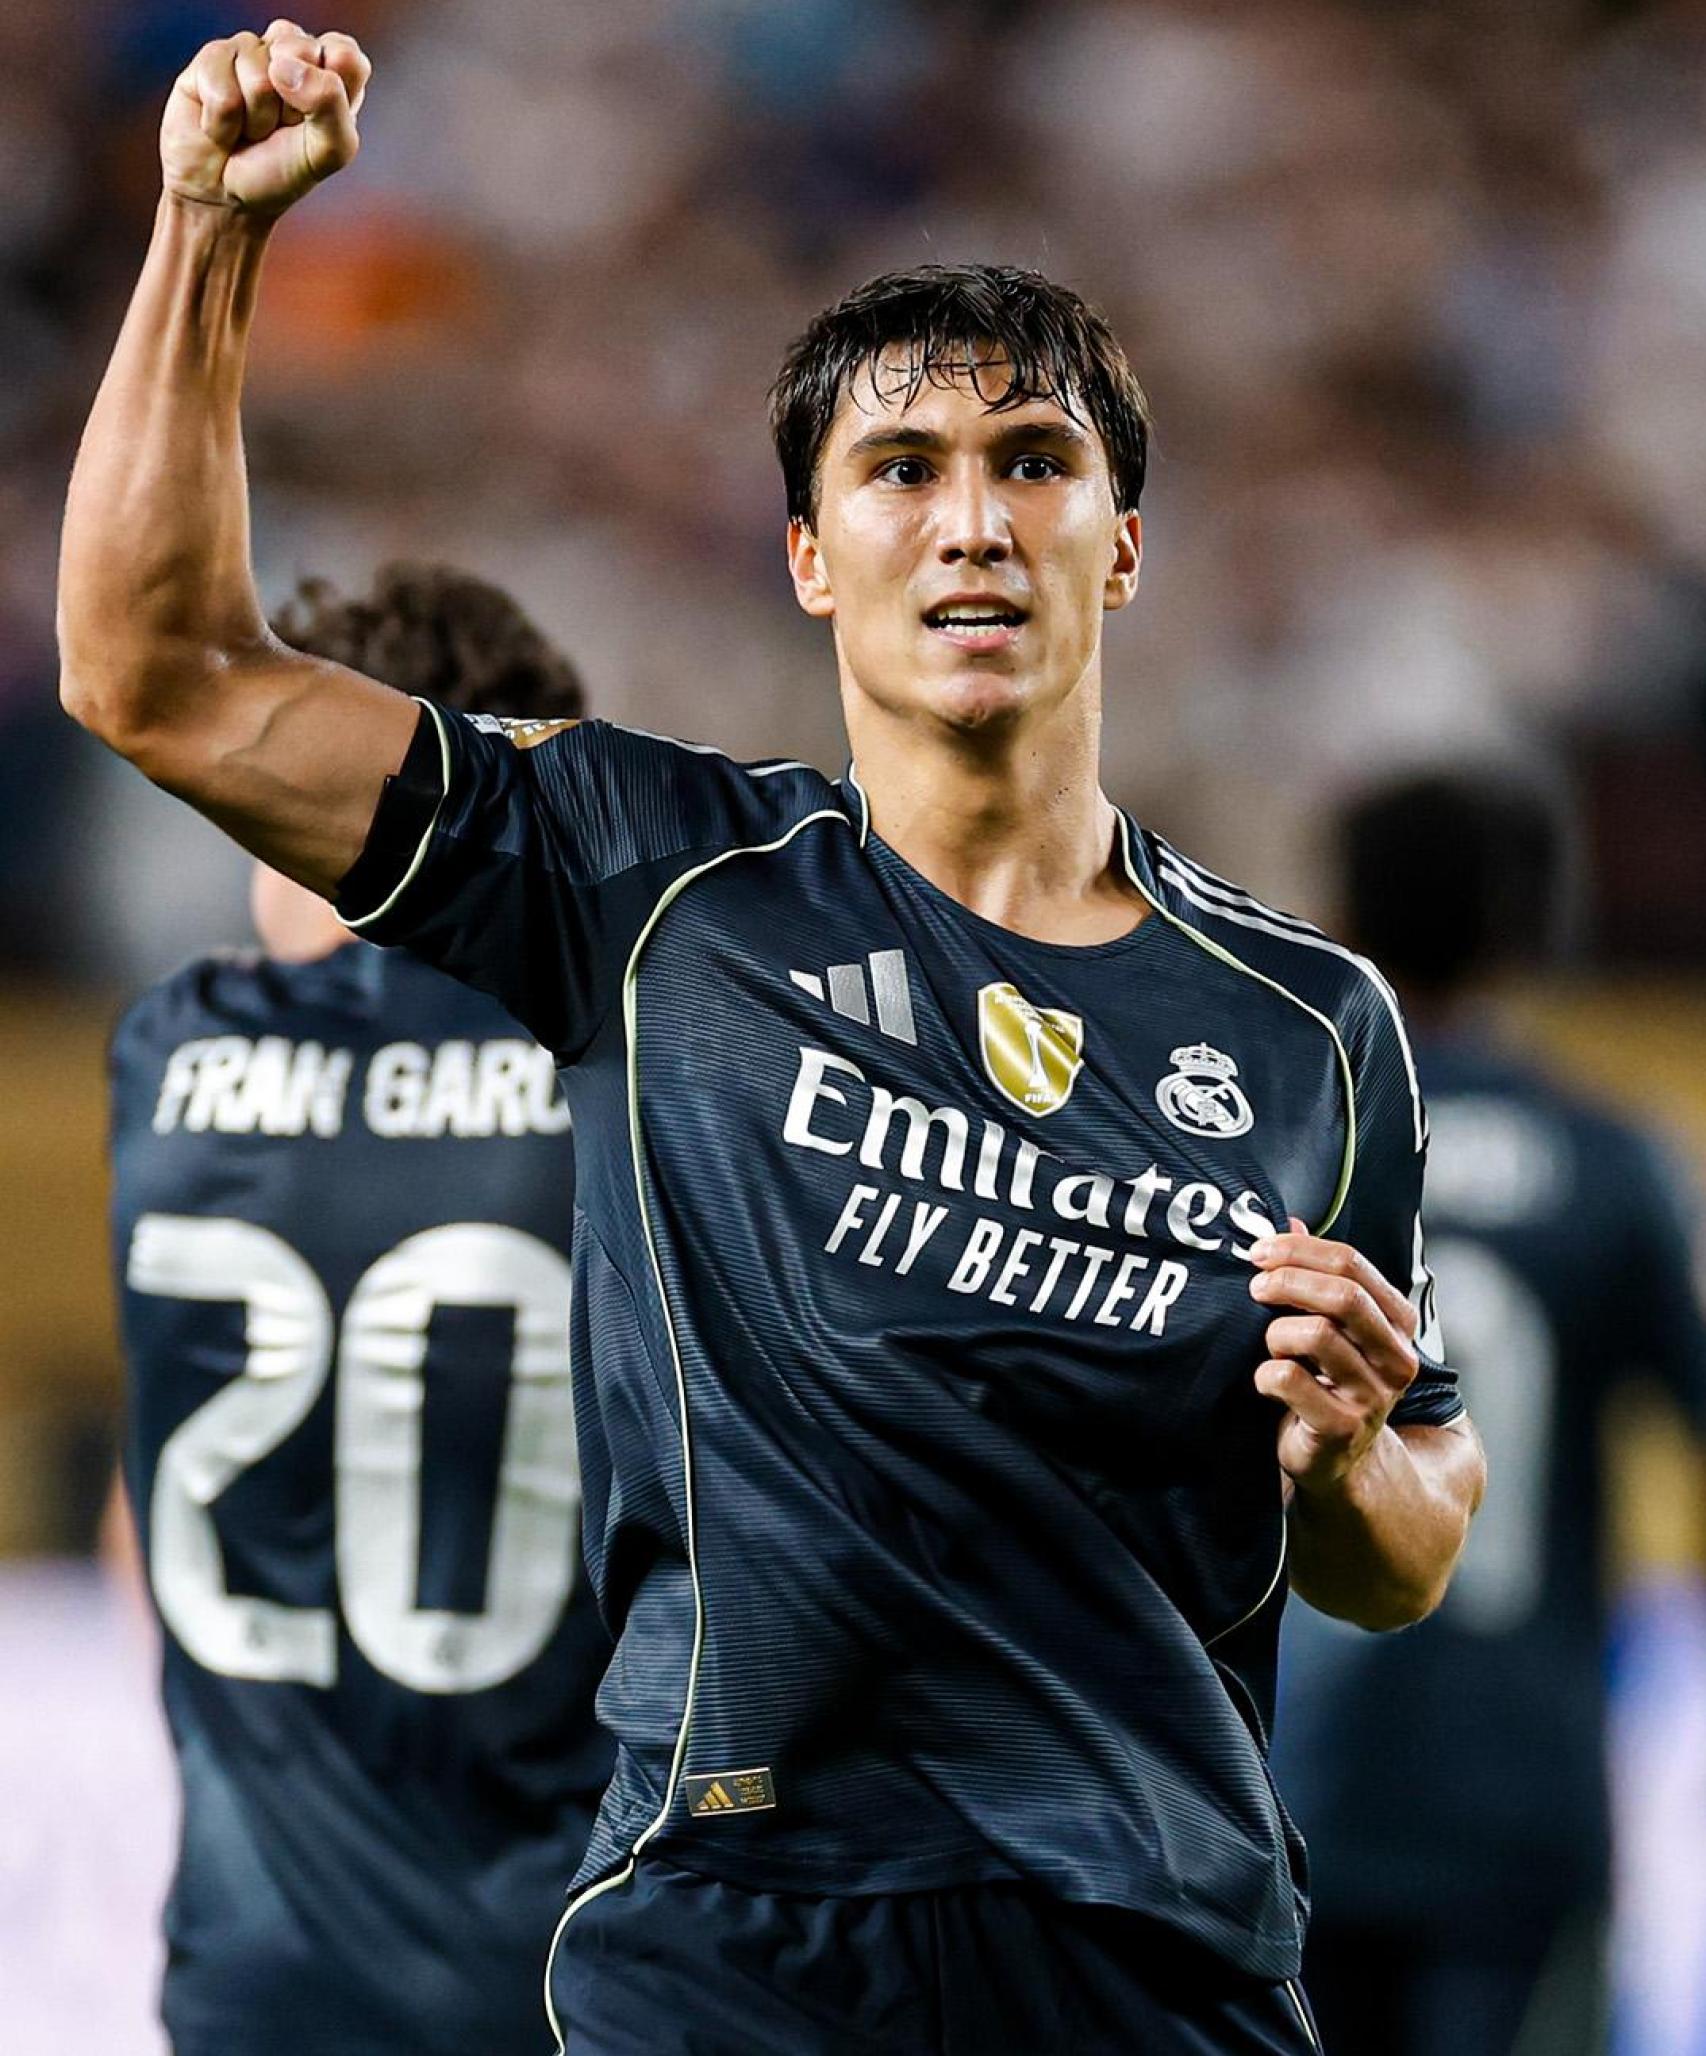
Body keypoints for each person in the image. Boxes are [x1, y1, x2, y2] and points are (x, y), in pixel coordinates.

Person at [61, 25, 1485, 2055]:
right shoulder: (650, 879)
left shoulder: (1308, 1024)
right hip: (734, 1944)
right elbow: (154, 668)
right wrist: (205, 229)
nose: (970, 523)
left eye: (1034, 465)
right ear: (810, 558)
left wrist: (1351, 1458)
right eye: (900, 470)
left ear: (1125, 541)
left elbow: (1408, 1536)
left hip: (1142, 1950)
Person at [107, 562, 613, 2056]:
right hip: (567, 1968)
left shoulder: (167, 1055)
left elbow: (143, 1515)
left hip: (250, 1965)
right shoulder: (617, 1079)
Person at [1272, 772, 1706, 2056]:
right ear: (1523, 931)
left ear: (1337, 914)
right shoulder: (1611, 1166)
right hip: (1519, 1788)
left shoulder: (1282, 1158)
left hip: (1291, 1780)